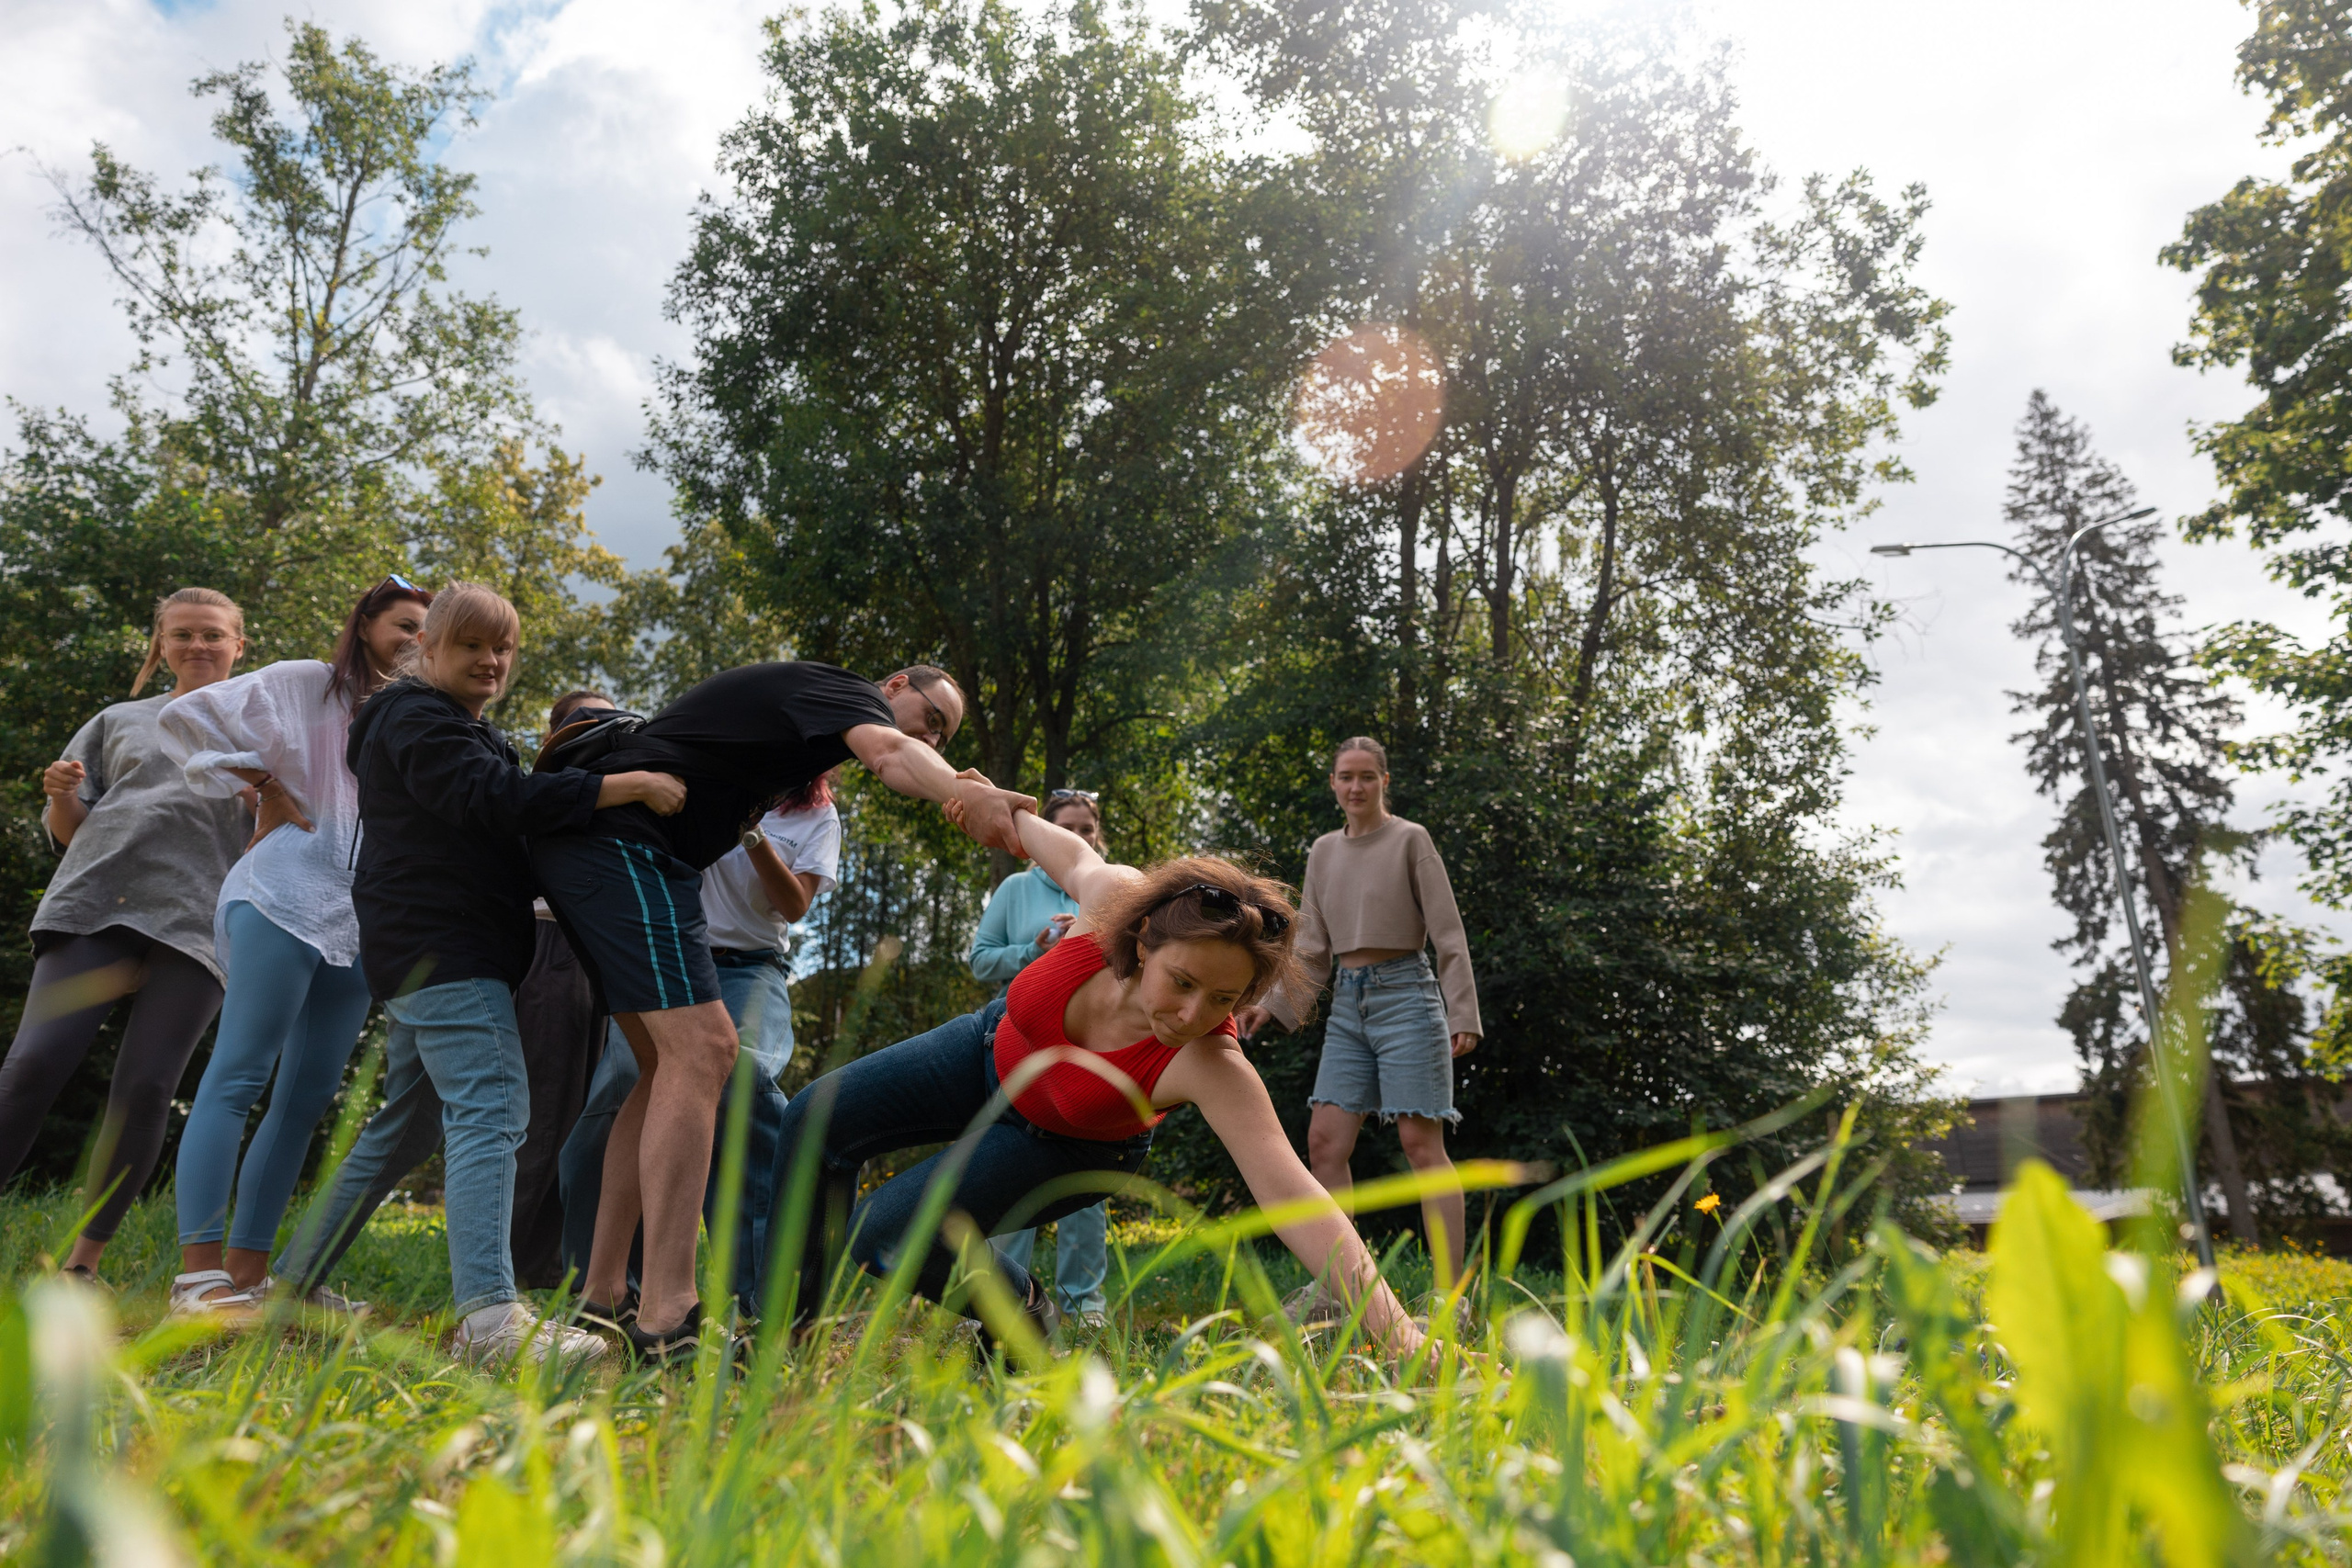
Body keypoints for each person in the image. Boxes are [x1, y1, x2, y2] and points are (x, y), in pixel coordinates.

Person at [767, 802, 1430, 1360]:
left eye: (1222, 998)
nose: (1192, 1014)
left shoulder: (1210, 1062)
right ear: (1143, 942)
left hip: (1068, 1142)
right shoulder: (1113, 898)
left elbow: (1297, 1194)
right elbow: (1032, 829)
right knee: (813, 1116)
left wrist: (1400, 1333)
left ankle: (1024, 1314)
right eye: (1183, 982)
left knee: (884, 1233)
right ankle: (781, 1343)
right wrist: (964, 792)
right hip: (990, 1051)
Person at [530, 660, 1031, 1362]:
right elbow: (891, 752)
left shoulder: (801, 755)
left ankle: (607, 1295)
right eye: (932, 718)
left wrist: (951, 780)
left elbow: (898, 760)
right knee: (706, 1051)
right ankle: (667, 1317)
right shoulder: (845, 693)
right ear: (893, 686)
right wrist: (957, 792)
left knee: (658, 1069)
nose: (931, 736)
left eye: (945, 736)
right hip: (621, 844)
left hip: (622, 852)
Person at [271, 584, 686, 1365]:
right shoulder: (414, 717)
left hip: (427, 948)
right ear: (426, 648)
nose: (492, 661)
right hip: (442, 947)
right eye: (473, 646)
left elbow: (497, 809)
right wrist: (622, 786)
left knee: (411, 1123)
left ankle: (293, 1283)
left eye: (504, 649)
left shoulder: (453, 726)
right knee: (493, 1104)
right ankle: (491, 1320)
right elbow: (494, 798)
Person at [159, 575, 434, 1321]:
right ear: (367, 624)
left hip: (356, 924)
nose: (416, 639)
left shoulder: (416, 717)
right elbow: (190, 716)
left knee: (307, 1097)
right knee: (239, 1073)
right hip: (279, 895)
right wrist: (261, 783)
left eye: (426, 630)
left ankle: (249, 1278)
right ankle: (197, 1278)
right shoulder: (309, 682)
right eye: (404, 624)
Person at [0, 588, 253, 1285]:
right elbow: (72, 834)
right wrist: (58, 793)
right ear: (161, 645)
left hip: (200, 924)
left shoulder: (264, 728)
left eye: (211, 635)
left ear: (239, 645)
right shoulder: (119, 719)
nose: (197, 646)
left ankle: (82, 1265)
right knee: (31, 1068)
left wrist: (265, 791)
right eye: (182, 635)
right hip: (94, 905)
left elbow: (288, 831)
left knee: (146, 1087)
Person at [559, 765, 842, 1319]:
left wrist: (750, 834)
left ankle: (760, 1299)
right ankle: (605, 1292)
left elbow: (795, 905)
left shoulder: (816, 815)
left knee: (742, 1082)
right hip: (667, 962)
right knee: (614, 1101)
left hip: (749, 970)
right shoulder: (696, 779)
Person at [1235, 736, 1481, 1292]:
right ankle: (1341, 1292)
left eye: (1367, 776)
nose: (1356, 787)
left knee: (1422, 1144)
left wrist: (1462, 1011)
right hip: (1349, 1003)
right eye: (1346, 776)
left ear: (1384, 782)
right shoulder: (1323, 851)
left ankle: (1449, 1298)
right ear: (1333, 783)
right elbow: (1313, 947)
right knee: (1325, 1143)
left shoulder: (1411, 841)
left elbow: (1447, 933)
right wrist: (1269, 1007)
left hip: (1409, 999)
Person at [967, 787, 1112, 1327]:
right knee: (1011, 1164)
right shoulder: (1014, 888)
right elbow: (981, 961)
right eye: (1067, 829)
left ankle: (1085, 1305)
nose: (1079, 838)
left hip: (1095, 1044)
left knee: (1086, 1174)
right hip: (1021, 1037)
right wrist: (1036, 950)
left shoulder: (1112, 886)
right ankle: (1003, 1302)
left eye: (1087, 829)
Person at [507, 690, 623, 1288]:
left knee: (588, 1120)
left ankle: (559, 1265)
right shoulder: (543, 789)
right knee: (545, 1116)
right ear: (556, 732)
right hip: (548, 949)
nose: (596, 730)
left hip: (602, 964)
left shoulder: (616, 791)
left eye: (607, 720)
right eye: (583, 720)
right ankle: (516, 1274)